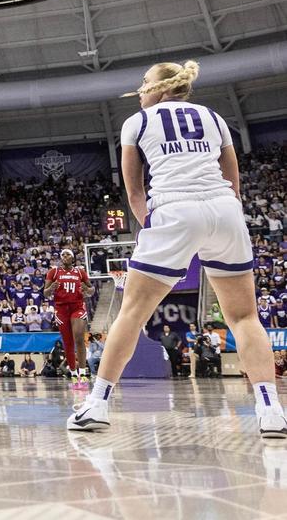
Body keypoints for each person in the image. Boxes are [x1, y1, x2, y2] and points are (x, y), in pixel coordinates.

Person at [69, 61, 287, 439]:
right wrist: (227, 212)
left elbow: (135, 191)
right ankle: (271, 411)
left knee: (131, 314)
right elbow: (232, 177)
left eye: (143, 83)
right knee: (244, 317)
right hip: (224, 209)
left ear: (161, 88)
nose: (139, 90)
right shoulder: (213, 116)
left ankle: (97, 404)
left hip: (173, 209)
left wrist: (152, 227)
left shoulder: (136, 122)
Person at [44, 248, 94, 380]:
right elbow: (45, 293)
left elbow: (91, 290)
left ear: (73, 258)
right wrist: (51, 288)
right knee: (68, 342)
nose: (64, 256)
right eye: (63, 255)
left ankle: (82, 372)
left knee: (78, 336)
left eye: (67, 254)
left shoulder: (80, 272)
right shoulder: (53, 272)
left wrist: (87, 289)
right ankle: (73, 372)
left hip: (77, 307)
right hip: (61, 309)